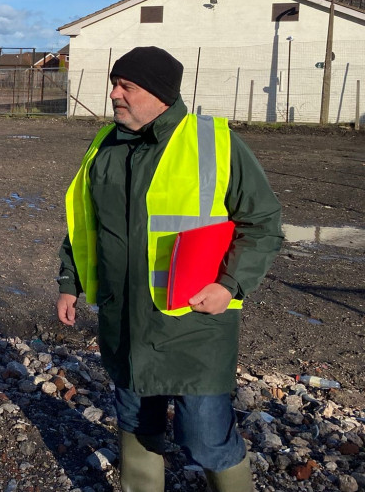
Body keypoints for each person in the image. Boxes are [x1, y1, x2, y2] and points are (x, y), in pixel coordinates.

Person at [56, 46, 282, 492]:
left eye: (127, 86)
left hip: (192, 326)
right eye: (114, 83)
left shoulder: (214, 142)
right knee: (137, 425)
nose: (115, 94)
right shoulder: (105, 145)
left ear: (159, 93)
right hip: (124, 320)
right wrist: (70, 282)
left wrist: (229, 285)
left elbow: (262, 222)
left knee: (206, 438)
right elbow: (85, 225)